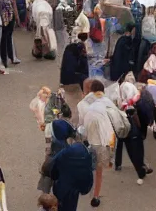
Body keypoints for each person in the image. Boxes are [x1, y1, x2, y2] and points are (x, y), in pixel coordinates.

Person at [78, 79, 116, 207]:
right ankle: (95, 196)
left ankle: (84, 188)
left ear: (87, 90)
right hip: (104, 142)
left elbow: (82, 127)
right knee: (99, 171)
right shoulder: (107, 102)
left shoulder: (82, 105)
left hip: (89, 141)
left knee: (87, 166)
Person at [49, 120, 94, 211]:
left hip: (62, 188)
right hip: (75, 189)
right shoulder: (81, 149)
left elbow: (53, 172)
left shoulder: (62, 154)